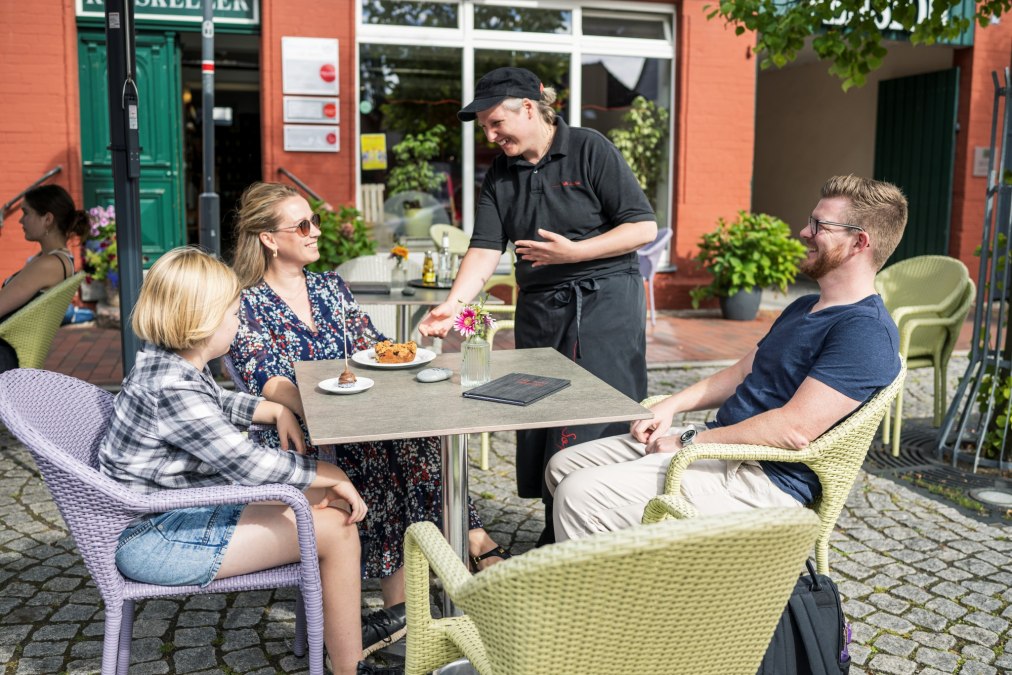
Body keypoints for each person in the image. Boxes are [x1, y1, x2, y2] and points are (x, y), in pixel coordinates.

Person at [546, 175, 908, 542]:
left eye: (820, 225)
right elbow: (741, 372)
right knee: (562, 465)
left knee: (580, 496)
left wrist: (688, 443)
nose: (804, 231)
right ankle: (627, 570)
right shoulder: (804, 307)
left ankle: (593, 595)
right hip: (718, 448)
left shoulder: (865, 331)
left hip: (762, 479)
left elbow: (793, 430)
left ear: (859, 242)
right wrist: (671, 406)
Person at [97, 247, 400, 675]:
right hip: (154, 540)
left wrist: (273, 409)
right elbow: (247, 466)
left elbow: (218, 401)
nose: (239, 325)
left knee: (324, 514)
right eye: (234, 315)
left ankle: (344, 653)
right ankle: (350, 667)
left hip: (171, 518)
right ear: (201, 320)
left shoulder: (166, 364)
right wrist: (325, 473)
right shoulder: (171, 387)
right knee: (335, 528)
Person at [227, 183, 511, 606]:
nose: (315, 231)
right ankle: (458, 554)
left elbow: (370, 346)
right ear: (268, 239)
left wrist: (411, 348)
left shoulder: (331, 288)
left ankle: (417, 593)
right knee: (384, 450)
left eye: (315, 221)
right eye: (303, 224)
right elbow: (265, 377)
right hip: (300, 431)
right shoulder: (245, 303)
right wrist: (324, 409)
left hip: (358, 418)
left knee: (412, 435)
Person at [418, 66, 658, 545]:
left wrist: (574, 252)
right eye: (484, 128)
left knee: (599, 419)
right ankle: (559, 529)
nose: (489, 135)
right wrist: (452, 304)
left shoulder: (590, 148)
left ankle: (607, 533)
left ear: (527, 108)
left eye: (494, 123)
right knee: (545, 418)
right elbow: (485, 249)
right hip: (540, 311)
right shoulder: (499, 175)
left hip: (605, 302)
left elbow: (642, 228)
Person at [0, 184, 89, 370]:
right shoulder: (59, 260)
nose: (21, 221)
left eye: (26, 213)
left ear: (47, 219)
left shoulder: (49, 264)